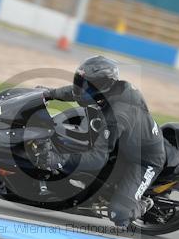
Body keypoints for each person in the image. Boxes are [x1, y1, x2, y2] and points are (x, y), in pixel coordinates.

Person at [40, 55, 166, 228]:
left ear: (103, 87)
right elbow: (77, 91)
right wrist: (50, 93)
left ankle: (142, 203)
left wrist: (58, 161)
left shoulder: (118, 114)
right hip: (124, 144)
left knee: (119, 215)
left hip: (144, 159)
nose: (83, 89)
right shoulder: (105, 91)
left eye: (88, 86)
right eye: (81, 81)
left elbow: (98, 157)